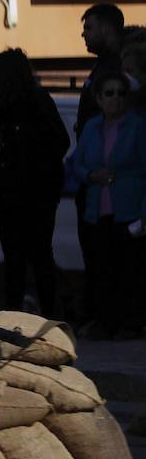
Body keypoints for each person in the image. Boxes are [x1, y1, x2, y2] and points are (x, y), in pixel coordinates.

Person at [0, 49, 69, 315]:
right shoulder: (1, 105)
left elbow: (58, 142)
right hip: (11, 193)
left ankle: (48, 312)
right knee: (16, 258)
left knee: (37, 255)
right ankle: (15, 312)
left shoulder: (36, 102)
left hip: (34, 194)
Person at [69, 71, 146, 339]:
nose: (115, 99)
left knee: (129, 269)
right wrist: (91, 175)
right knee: (102, 268)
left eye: (121, 93)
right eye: (109, 93)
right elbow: (76, 163)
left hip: (129, 209)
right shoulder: (92, 126)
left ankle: (131, 323)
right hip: (98, 207)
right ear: (99, 98)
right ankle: (105, 321)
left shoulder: (138, 126)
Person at [76, 3, 125, 138]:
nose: (83, 34)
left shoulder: (121, 66)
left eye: (89, 28)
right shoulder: (102, 64)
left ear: (105, 29)